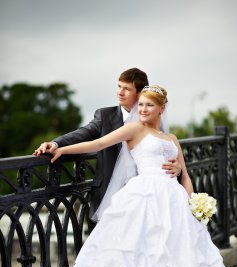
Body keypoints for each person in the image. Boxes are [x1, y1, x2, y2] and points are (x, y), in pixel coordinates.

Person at [51, 85, 237, 267]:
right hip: (143, 198)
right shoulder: (134, 130)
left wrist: (194, 203)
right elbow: (98, 144)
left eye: (149, 105)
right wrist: (59, 147)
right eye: (140, 105)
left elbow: (183, 175)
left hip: (173, 202)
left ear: (162, 108)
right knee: (137, 264)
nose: (142, 110)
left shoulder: (171, 138)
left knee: (176, 266)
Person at [33, 68, 181, 223]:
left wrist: (177, 168)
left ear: (139, 93)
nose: (120, 92)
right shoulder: (105, 116)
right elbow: (85, 133)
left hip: (151, 197)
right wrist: (56, 144)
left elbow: (166, 152)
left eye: (127, 89)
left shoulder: (155, 121)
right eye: (119, 86)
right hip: (110, 193)